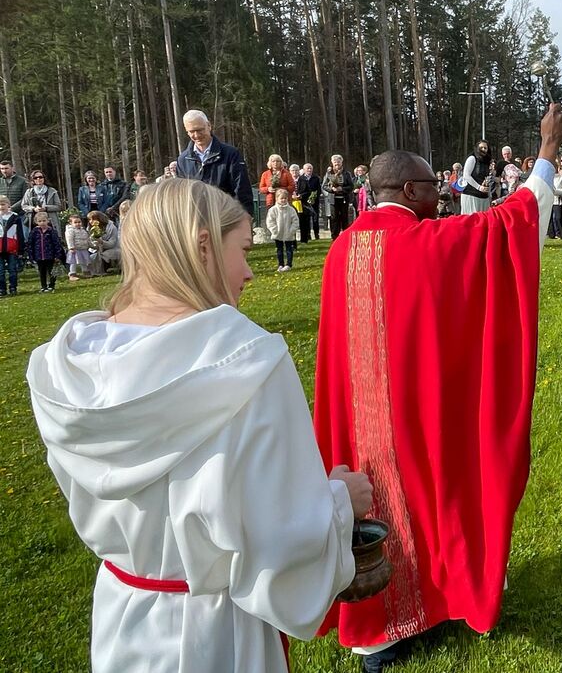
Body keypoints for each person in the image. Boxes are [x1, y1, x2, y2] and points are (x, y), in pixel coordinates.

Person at [26, 178, 373, 673]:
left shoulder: (66, 366)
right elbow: (278, 542)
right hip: (217, 632)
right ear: (203, 246)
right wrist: (339, 502)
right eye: (243, 250)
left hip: (123, 617)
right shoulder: (245, 359)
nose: (248, 272)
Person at [313, 103, 562, 673]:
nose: (444, 193)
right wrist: (547, 152)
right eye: (435, 185)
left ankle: (376, 636)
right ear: (410, 190)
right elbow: (508, 227)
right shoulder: (424, 243)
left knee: (374, 500)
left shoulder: (340, 250)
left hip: (362, 421)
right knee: (439, 490)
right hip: (419, 412)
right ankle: (442, 599)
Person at [176, 109, 254, 214]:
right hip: (197, 218)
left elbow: (241, 191)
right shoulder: (183, 160)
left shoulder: (230, 154)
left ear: (209, 126)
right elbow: (182, 195)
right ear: (187, 131)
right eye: (192, 132)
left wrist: (244, 217)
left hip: (225, 217)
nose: (197, 135)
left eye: (200, 130)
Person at [26, 211, 65, 292]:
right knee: (42, 271)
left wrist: (58, 255)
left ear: (48, 220)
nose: (42, 223)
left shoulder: (51, 231)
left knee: (52, 271)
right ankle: (43, 286)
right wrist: (31, 256)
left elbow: (56, 243)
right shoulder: (34, 232)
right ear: (36, 222)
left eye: (44, 220)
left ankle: (51, 285)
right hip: (39, 255)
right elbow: (30, 244)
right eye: (40, 221)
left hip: (50, 255)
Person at [322, 154, 355, 239]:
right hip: (333, 200)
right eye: (335, 162)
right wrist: (332, 189)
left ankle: (346, 236)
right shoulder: (329, 173)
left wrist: (342, 189)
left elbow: (351, 186)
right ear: (332, 163)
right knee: (334, 218)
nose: (337, 164)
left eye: (338, 162)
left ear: (341, 162)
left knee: (344, 217)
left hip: (344, 199)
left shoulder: (347, 173)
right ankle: (334, 237)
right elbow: (324, 186)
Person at [267, 188, 298, 272]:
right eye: (281, 198)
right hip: (278, 233)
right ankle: (281, 264)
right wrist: (274, 230)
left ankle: (289, 264)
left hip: (288, 233)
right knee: (279, 249)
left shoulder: (291, 210)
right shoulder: (273, 210)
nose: (283, 200)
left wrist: (292, 230)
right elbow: (270, 221)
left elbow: (295, 221)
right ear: (277, 199)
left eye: (285, 198)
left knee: (289, 249)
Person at [460, 140, 494, 214]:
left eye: (485, 148)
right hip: (470, 195)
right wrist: (479, 187)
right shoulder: (472, 158)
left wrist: (489, 195)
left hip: (484, 197)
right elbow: (466, 175)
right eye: (481, 147)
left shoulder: (487, 163)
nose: (483, 149)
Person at [0, 195, 25, 297]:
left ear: (8, 205)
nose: (1, 207)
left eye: (3, 204)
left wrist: (21, 249)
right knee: (0, 271)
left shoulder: (15, 217)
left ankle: (13, 287)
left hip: (12, 247)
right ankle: (2, 289)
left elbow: (20, 234)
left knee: (12, 269)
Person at [87, 210, 120, 276]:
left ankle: (111, 267)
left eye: (93, 219)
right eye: (90, 219)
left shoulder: (112, 228)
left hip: (113, 249)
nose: (91, 221)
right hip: (96, 250)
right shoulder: (91, 229)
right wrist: (94, 244)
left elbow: (112, 243)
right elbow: (91, 243)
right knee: (91, 258)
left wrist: (102, 242)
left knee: (105, 255)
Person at [297, 163, 322, 241]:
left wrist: (314, 197)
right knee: (306, 218)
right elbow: (299, 190)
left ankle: (316, 234)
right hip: (304, 201)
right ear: (304, 170)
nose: (309, 170)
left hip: (314, 201)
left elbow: (319, 189)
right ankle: (308, 235)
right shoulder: (301, 178)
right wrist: (303, 196)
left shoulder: (316, 178)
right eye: (308, 168)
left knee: (315, 217)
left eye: (310, 168)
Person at [64, 214, 91, 281]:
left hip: (83, 248)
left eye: (79, 222)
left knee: (84, 261)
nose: (78, 224)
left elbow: (87, 238)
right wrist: (71, 247)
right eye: (75, 222)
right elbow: (69, 239)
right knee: (73, 262)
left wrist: (90, 245)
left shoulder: (83, 230)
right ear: (71, 223)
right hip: (75, 249)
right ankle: (72, 274)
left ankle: (85, 272)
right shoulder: (70, 230)